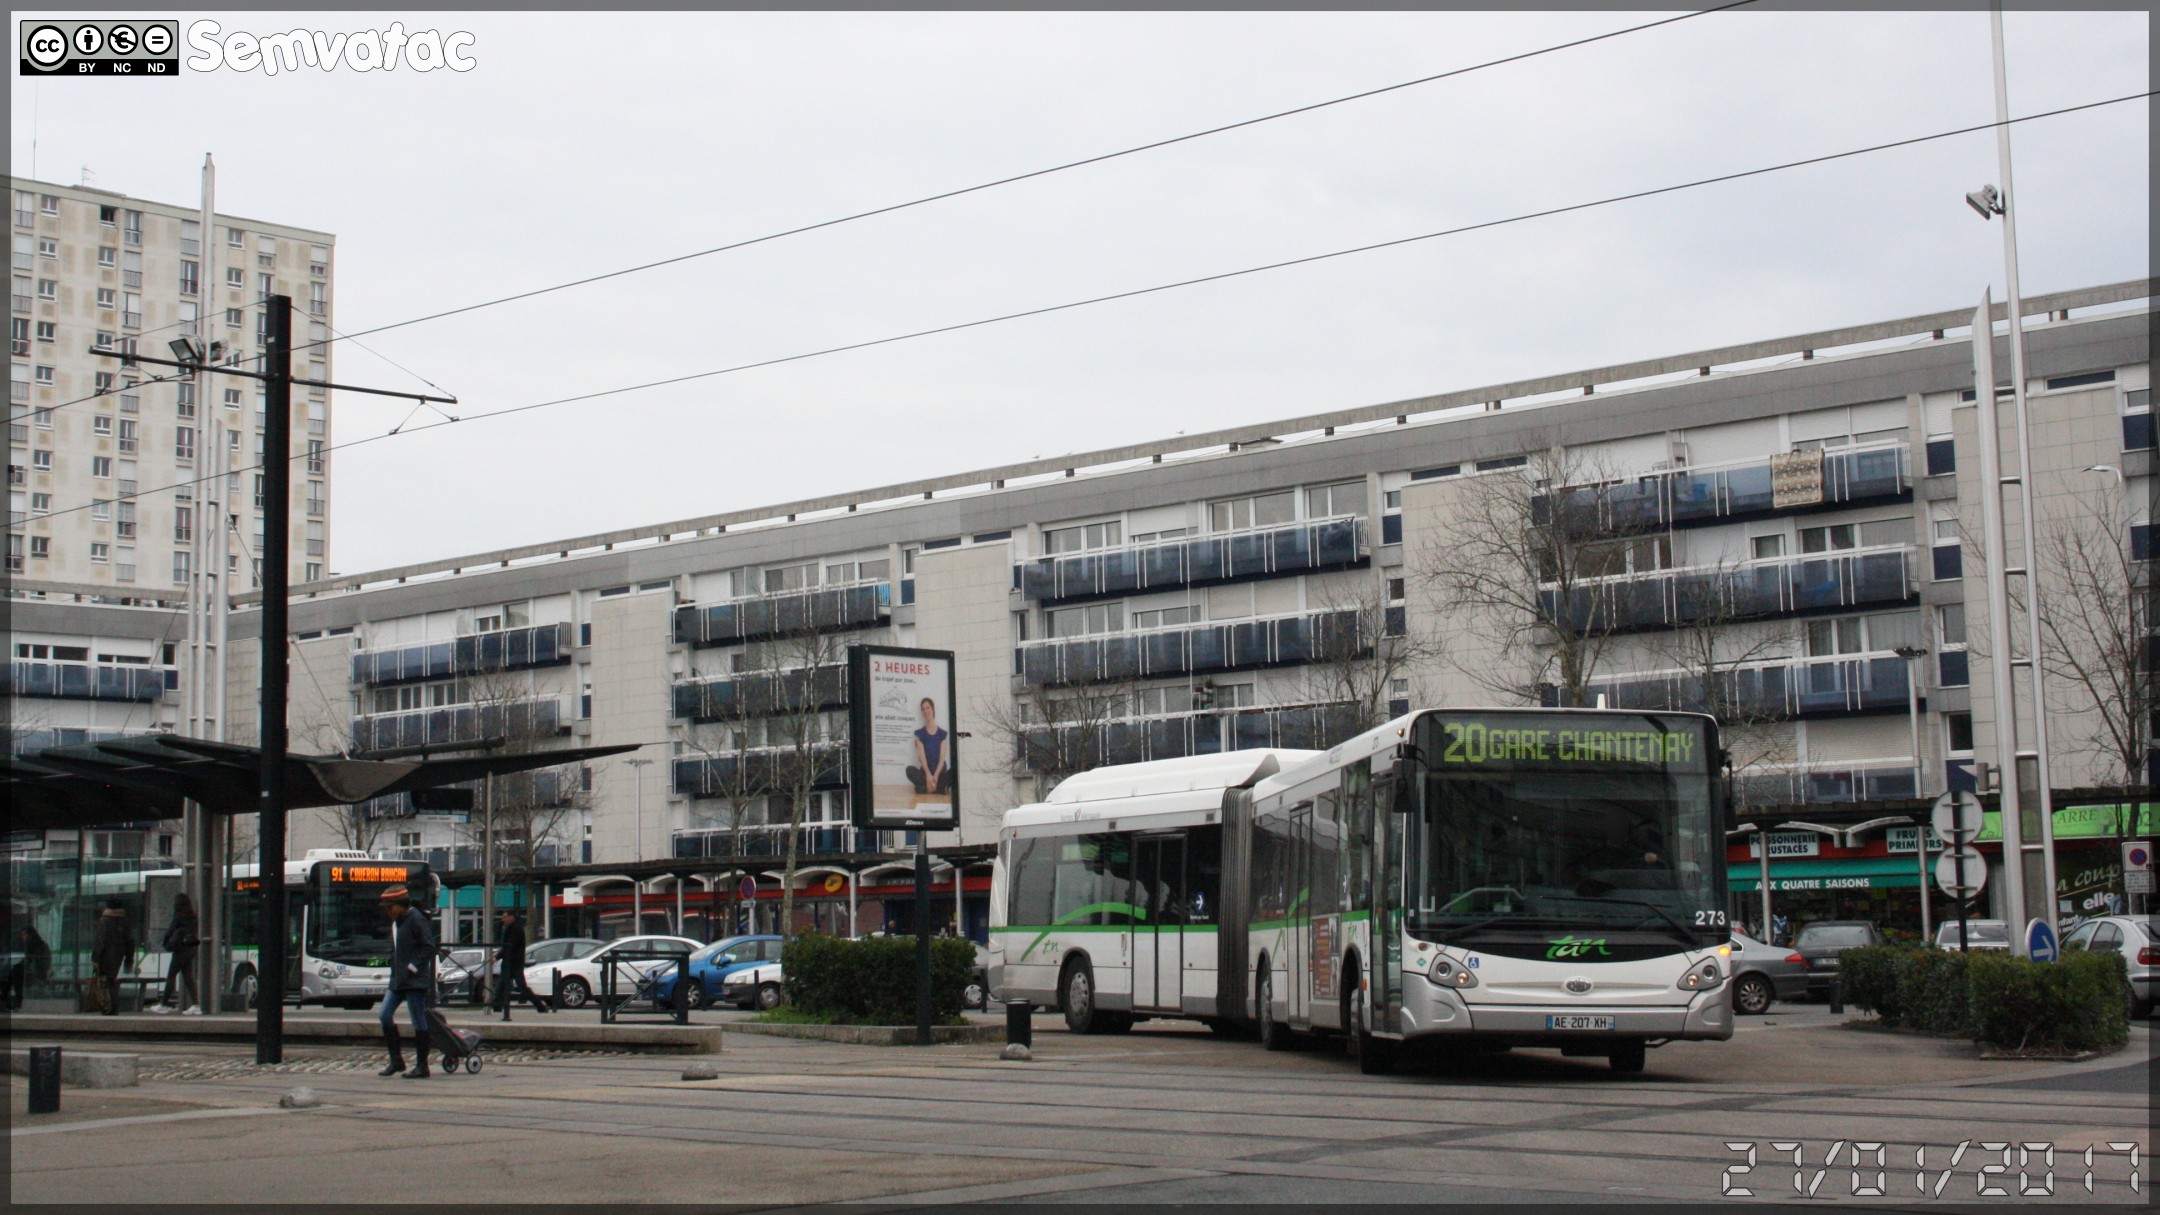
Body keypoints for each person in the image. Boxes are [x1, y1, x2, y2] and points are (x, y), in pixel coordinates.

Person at [376, 886, 437, 1079]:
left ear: (401, 905)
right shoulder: (398, 922)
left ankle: (422, 1065)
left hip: (414, 980)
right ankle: (396, 1060)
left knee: (418, 1020)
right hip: (398, 979)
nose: (389, 911)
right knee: (384, 1014)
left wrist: (413, 967)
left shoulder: (416, 919)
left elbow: (429, 946)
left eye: (391, 907)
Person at [491, 909, 551, 1017]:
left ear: (511, 917)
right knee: (501, 986)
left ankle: (540, 1006)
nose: (503, 919)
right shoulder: (509, 928)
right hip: (509, 962)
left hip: (515, 963)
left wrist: (497, 957)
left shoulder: (517, 929)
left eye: (505, 917)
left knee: (521, 987)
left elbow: (510, 945)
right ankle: (497, 1008)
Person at [153, 893, 202, 1015]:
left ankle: (163, 1004)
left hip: (180, 950)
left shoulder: (179, 916)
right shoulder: (193, 916)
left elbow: (170, 930)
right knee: (188, 978)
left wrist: (166, 942)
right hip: (190, 949)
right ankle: (196, 1005)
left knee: (171, 975)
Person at [90, 899, 132, 1016]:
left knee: (106, 981)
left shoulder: (104, 921)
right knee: (111, 979)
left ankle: (108, 1006)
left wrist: (95, 958)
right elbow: (130, 941)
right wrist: (129, 959)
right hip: (118, 955)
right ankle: (113, 1006)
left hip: (105, 955)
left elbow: (100, 940)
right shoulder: (124, 921)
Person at [905, 698, 952, 796]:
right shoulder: (919, 734)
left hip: (940, 774)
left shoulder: (942, 734)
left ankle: (924, 788)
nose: (926, 711)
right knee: (909, 770)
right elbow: (922, 759)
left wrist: (935, 776)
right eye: (923, 709)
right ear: (922, 713)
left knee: (955, 770)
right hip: (925, 774)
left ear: (933, 709)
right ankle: (939, 788)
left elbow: (942, 759)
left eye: (928, 707)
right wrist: (928, 775)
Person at [7, 924, 51, 1010]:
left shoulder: (36, 945)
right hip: (32, 971)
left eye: (24, 934)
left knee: (15, 975)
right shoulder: (34, 945)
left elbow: (33, 961)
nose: (23, 937)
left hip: (36, 972)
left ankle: (17, 1002)